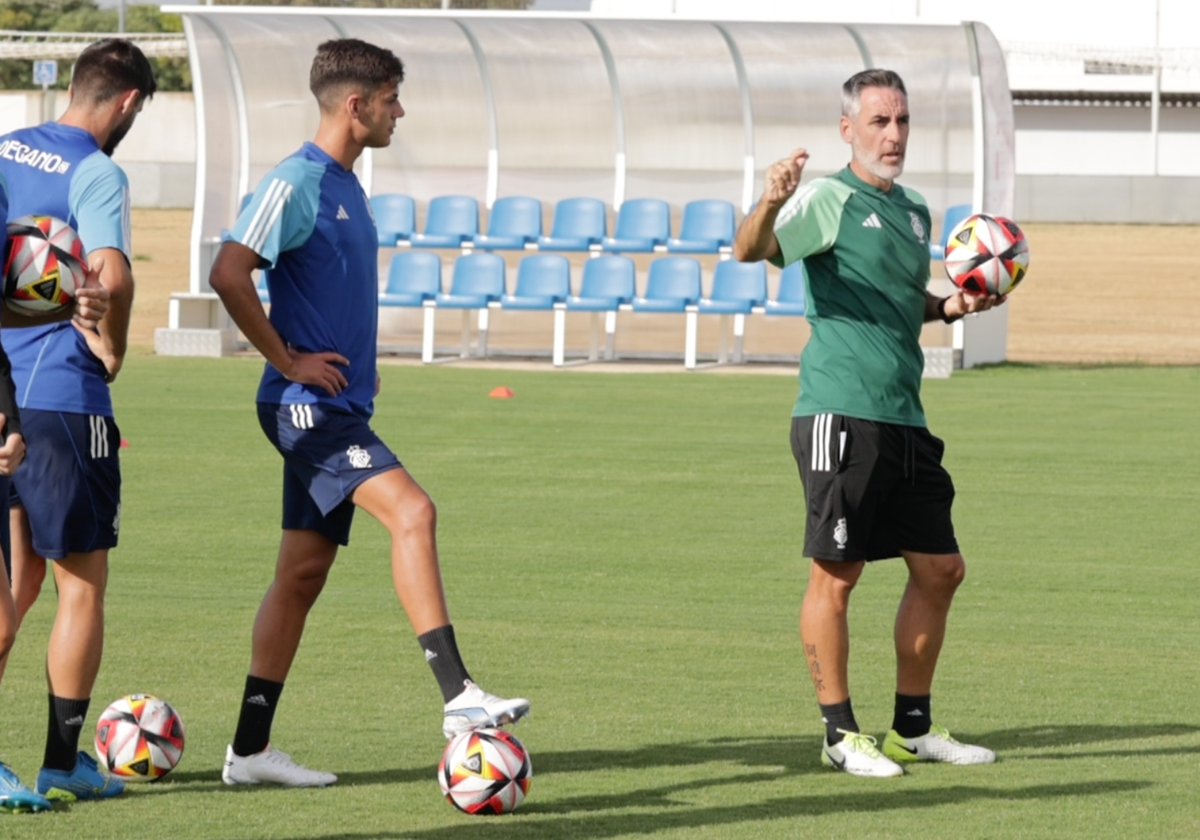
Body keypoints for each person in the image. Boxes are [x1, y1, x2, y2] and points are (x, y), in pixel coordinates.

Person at [209, 38, 529, 788]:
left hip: (335, 406)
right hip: (305, 408)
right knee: (414, 512)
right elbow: (228, 272)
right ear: (356, 104)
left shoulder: (348, 185)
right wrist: (289, 361)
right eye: (391, 98)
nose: (400, 111)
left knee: (302, 574)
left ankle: (249, 752)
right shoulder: (298, 181)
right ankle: (458, 696)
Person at [734, 68, 1001, 778]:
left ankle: (911, 728)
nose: (894, 135)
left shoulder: (915, 211)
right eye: (879, 122)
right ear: (847, 130)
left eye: (903, 121)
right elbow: (749, 251)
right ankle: (838, 733)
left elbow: (898, 300)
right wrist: (769, 202)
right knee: (838, 576)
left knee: (941, 569)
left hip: (905, 418)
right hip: (840, 413)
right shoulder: (828, 198)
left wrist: (949, 307)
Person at [0, 37, 154, 802]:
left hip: (1, 398)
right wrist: (113, 343)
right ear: (127, 102)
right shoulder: (98, 172)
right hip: (63, 397)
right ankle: (64, 761)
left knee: (12, 584)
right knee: (79, 585)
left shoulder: (3, 150)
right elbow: (112, 273)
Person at [0, 167, 110, 812]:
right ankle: (61, 763)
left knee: (8, 614)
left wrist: (68, 300)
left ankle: (61, 763)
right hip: (67, 410)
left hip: (15, 418)